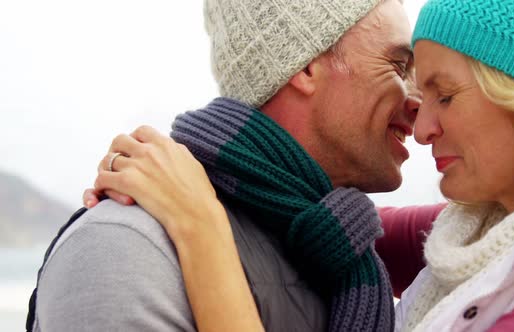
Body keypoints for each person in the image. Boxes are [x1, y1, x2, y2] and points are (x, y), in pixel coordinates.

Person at [86, 0, 514, 331]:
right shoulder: (476, 228)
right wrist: (173, 169)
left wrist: (200, 227)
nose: (421, 123)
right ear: (303, 66)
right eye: (402, 69)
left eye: (446, 94)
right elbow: (314, 216)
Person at [29, 0, 445, 331]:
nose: (418, 102)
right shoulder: (123, 248)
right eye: (397, 65)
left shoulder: (337, 242)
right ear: (304, 65)